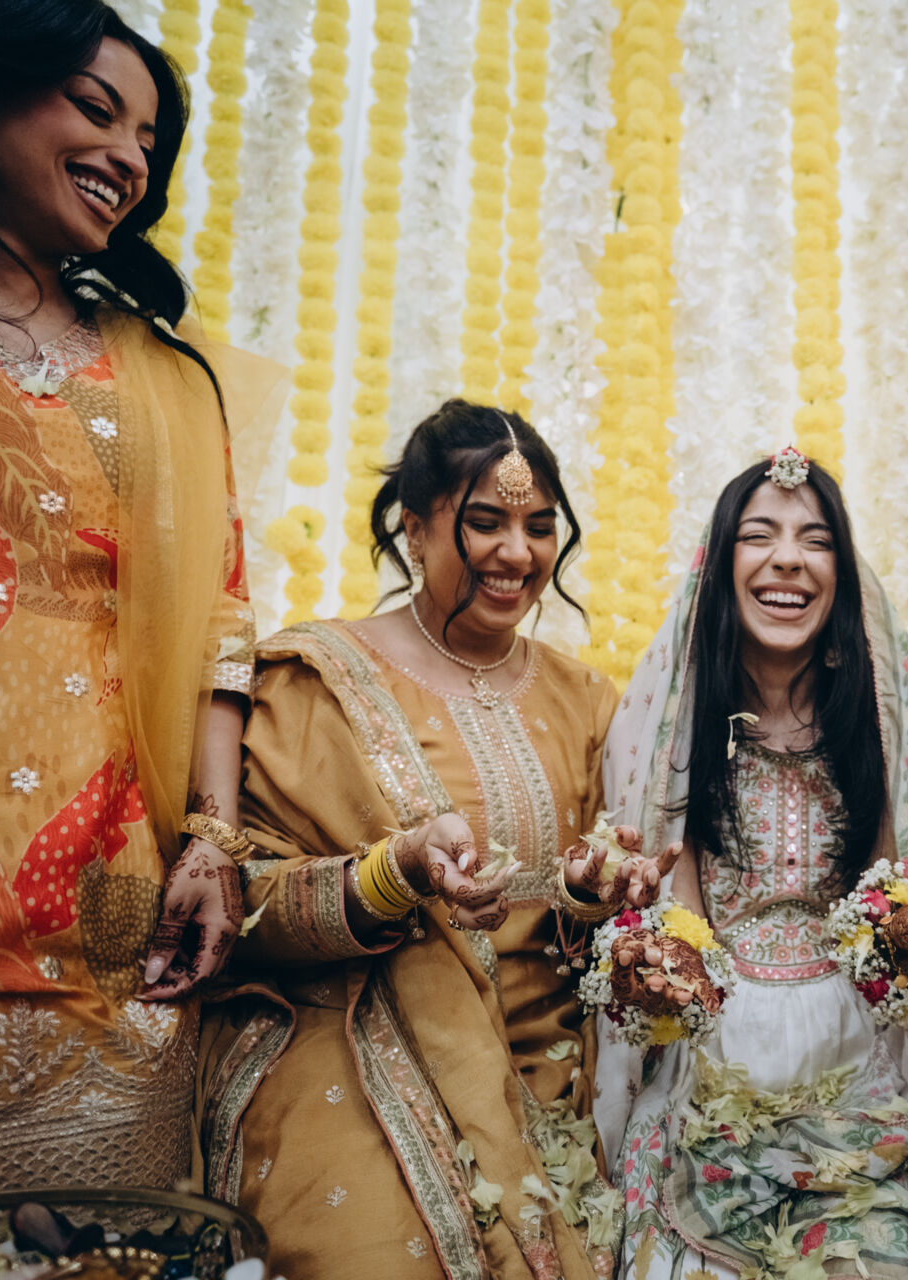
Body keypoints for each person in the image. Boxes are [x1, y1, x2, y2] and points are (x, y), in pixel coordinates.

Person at [0, 0, 280, 1209]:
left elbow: (219, 623)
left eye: (149, 140)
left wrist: (214, 843)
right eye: (97, 110)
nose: (129, 157)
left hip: (110, 918)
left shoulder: (161, 374)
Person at [200, 402, 672, 1279]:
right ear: (414, 529)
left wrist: (592, 897)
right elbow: (242, 905)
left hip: (554, 1074)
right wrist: (395, 873)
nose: (517, 553)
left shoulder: (588, 702)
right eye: (486, 522)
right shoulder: (318, 680)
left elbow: (595, 929)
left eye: (539, 527)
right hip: (359, 1042)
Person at [596, 452, 908, 1280]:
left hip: (856, 1054)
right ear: (722, 568)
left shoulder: (882, 722)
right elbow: (681, 920)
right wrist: (664, 970)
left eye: (815, 540)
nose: (787, 559)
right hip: (715, 1054)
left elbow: (892, 897)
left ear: (842, 575)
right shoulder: (681, 722)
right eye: (759, 536)